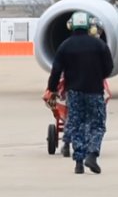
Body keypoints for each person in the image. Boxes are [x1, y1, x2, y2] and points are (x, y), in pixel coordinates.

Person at [47, 11, 113, 174]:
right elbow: (109, 68)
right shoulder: (99, 45)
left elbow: (56, 71)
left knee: (76, 125)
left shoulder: (65, 46)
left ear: (71, 26)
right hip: (95, 92)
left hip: (74, 93)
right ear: (89, 27)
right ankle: (92, 154)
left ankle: (78, 162)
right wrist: (98, 75)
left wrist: (52, 88)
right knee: (97, 125)